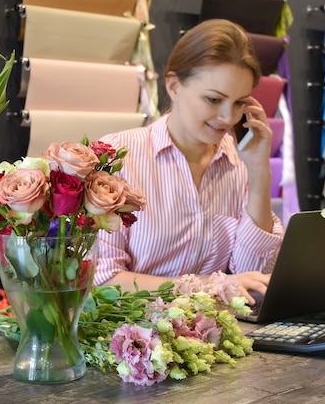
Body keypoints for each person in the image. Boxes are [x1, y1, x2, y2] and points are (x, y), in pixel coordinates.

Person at [93, 19, 285, 304]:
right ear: (173, 85)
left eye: (239, 103)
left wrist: (259, 173)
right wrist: (207, 286)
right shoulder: (118, 156)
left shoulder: (242, 162)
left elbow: (252, 278)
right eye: (213, 99)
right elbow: (105, 281)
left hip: (216, 338)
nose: (228, 118)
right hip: (130, 339)